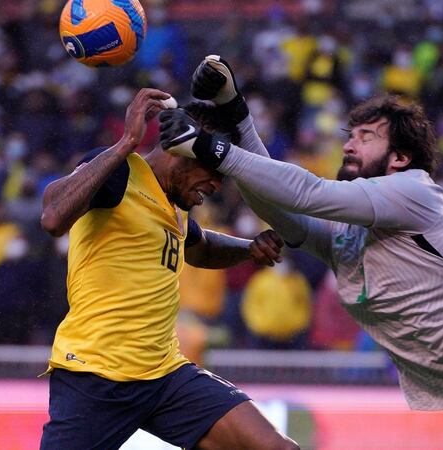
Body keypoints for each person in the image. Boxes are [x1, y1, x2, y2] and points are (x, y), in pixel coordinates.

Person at [159, 56, 443, 449]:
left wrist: (210, 148)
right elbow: (281, 207)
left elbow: (308, 192)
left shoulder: (413, 191)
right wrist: (236, 116)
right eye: (349, 135)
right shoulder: (345, 234)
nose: (348, 143)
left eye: (365, 136)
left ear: (398, 157)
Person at [39, 88, 298, 450]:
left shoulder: (173, 205)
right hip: (95, 376)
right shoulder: (119, 172)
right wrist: (126, 143)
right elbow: (52, 217)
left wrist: (249, 249)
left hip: (164, 376)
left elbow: (201, 247)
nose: (218, 185)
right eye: (213, 169)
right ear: (180, 153)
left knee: (276, 448)